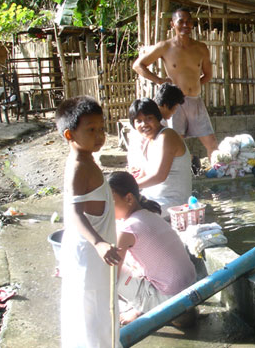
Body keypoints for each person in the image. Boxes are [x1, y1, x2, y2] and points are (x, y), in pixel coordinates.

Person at [56, 96, 121, 347]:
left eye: (102, 128)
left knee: (100, 317)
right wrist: (99, 243)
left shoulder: (87, 160)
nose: (100, 135)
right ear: (69, 135)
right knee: (92, 323)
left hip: (94, 258)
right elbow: (74, 213)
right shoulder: (78, 167)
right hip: (89, 257)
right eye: (91, 130)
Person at [109, 171, 196, 325]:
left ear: (129, 198)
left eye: (110, 202)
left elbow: (112, 275)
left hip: (169, 299)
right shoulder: (150, 214)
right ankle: (141, 306)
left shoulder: (127, 230)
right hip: (191, 288)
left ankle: (141, 307)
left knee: (107, 270)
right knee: (129, 259)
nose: (106, 208)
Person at [132, 7, 217, 158]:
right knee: (176, 143)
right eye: (181, 22)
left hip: (195, 101)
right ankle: (181, 174)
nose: (185, 25)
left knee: (211, 143)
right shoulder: (165, 47)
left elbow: (208, 75)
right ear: (172, 24)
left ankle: (218, 173)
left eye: (189, 22)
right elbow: (138, 65)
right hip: (174, 104)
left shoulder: (201, 48)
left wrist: (194, 87)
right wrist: (159, 81)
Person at [129, 98, 191, 218]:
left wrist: (128, 186)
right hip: (152, 198)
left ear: (157, 117)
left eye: (149, 118)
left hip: (172, 204)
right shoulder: (148, 141)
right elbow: (142, 174)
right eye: (139, 121)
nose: (144, 124)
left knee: (130, 215)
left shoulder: (167, 135)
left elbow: (159, 176)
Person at [126, 83, 185, 172]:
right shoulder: (158, 125)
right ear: (165, 105)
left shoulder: (143, 118)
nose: (174, 112)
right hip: (143, 169)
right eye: (175, 108)